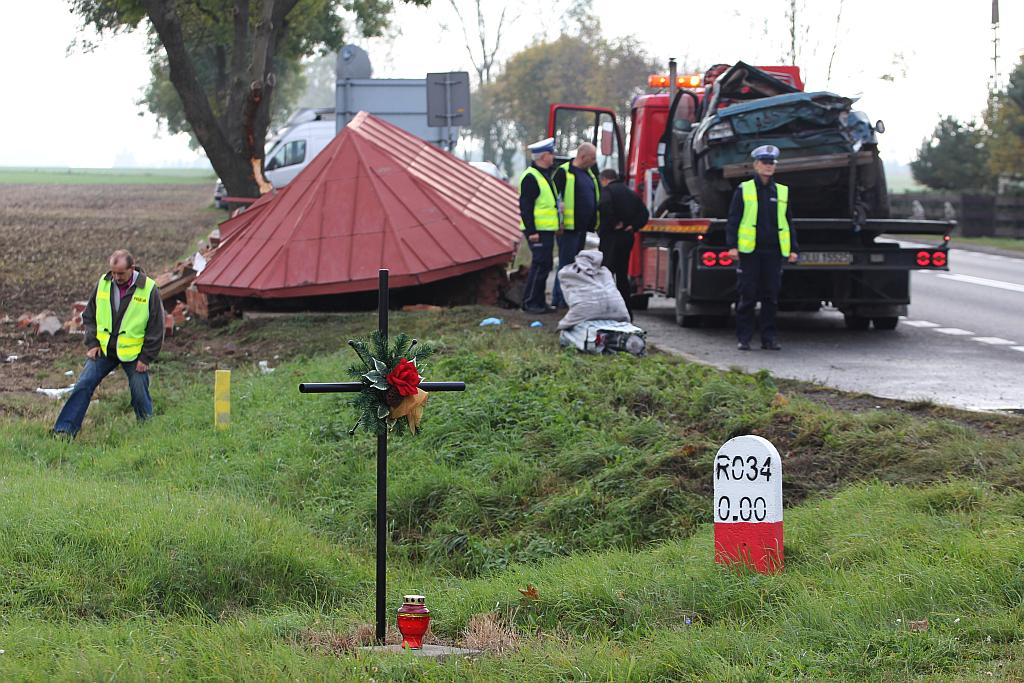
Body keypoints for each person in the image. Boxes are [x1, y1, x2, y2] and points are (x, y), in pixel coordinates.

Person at [53, 249, 165, 438]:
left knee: (139, 392)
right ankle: (64, 430)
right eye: (113, 272)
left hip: (135, 354)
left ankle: (147, 433)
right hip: (104, 350)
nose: (116, 277)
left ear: (132, 267)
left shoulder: (149, 289)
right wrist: (92, 343)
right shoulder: (103, 284)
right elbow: (89, 316)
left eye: (121, 273)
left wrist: (146, 358)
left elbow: (156, 327)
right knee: (83, 384)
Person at [726, 145, 799, 351]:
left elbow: (788, 222)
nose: (768, 167)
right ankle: (744, 338)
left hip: (773, 252)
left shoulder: (782, 191)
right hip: (750, 252)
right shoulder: (744, 189)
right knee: (747, 295)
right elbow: (734, 219)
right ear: (756, 165)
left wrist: (793, 248)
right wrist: (732, 246)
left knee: (771, 296)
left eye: (771, 164)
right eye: (764, 163)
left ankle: (769, 338)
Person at [551, 142, 599, 309]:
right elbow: (554, 198)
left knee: (573, 266)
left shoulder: (589, 174)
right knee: (566, 265)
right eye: (592, 158)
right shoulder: (564, 172)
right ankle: (560, 300)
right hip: (568, 229)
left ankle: (564, 298)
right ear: (583, 156)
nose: (594, 161)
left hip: (581, 228)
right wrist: (559, 222)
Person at [597, 169, 649, 318]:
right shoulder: (630, 193)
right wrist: (633, 226)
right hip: (626, 238)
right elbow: (644, 214)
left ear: (605, 179)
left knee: (606, 274)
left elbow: (604, 207)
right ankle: (626, 311)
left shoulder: (608, 191)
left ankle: (607, 310)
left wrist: (614, 223)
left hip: (610, 239)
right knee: (622, 276)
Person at [518, 136, 561, 314]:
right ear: (544, 156)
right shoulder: (531, 177)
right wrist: (532, 231)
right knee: (540, 265)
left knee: (545, 265)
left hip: (547, 230)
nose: (553, 157)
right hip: (538, 231)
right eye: (551, 154)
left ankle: (539, 302)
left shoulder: (544, 175)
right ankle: (530, 303)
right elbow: (526, 206)